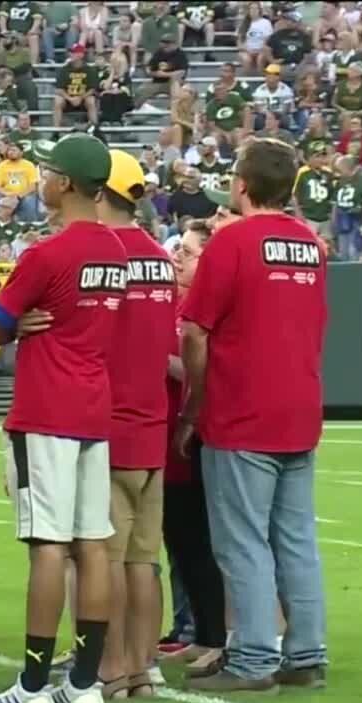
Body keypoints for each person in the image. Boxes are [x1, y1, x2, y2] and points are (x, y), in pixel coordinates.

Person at [0, 134, 127, 703]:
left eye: (46, 172)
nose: (39, 180)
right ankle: (85, 684)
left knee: (47, 546)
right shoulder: (116, 252)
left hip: (46, 408)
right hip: (94, 405)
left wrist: (15, 327)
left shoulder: (45, 254)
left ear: (65, 183)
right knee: (93, 544)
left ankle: (34, 687)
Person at [177, 138, 329, 693]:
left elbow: (195, 329)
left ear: (241, 184)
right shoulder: (310, 243)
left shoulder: (232, 241)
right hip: (300, 403)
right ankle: (306, 653)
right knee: (295, 537)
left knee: (241, 540)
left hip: (242, 406)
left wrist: (194, 403)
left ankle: (254, 659)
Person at [95, 150, 177, 700]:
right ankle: (144, 669)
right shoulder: (159, 256)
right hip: (154, 424)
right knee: (145, 560)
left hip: (108, 424)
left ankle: (114, 668)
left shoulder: (100, 253)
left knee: (109, 559)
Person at [162, 220, 227, 677]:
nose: (178, 257)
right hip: (168, 440)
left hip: (195, 437)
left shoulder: (204, 308)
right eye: (179, 249)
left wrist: (152, 356)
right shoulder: (174, 301)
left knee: (201, 547)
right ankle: (198, 632)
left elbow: (201, 371)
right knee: (181, 547)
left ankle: (215, 636)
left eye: (188, 252)